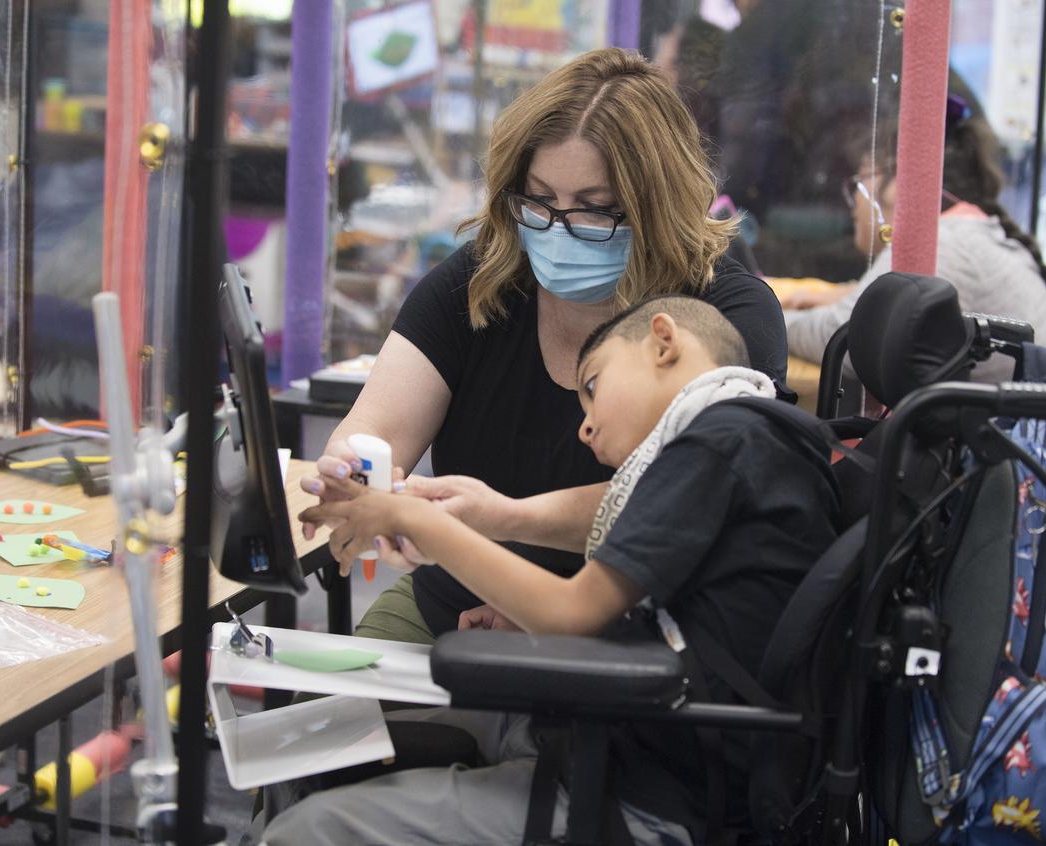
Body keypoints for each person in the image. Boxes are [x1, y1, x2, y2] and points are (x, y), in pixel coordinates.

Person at [265, 296, 839, 845]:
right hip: (627, 737)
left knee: (308, 827)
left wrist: (419, 522)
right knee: (318, 749)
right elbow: (692, 620)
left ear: (663, 343)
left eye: (592, 388)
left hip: (646, 786)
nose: (584, 429)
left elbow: (570, 613)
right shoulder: (752, 442)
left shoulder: (717, 444)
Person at [302, 47, 789, 645]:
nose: (558, 229)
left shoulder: (724, 319)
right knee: (333, 728)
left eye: (595, 210)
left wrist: (488, 518)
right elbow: (375, 428)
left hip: (640, 631)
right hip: (456, 606)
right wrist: (356, 471)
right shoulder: (481, 282)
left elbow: (682, 503)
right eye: (538, 200)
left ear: (657, 205)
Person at [783, 100, 1046, 382]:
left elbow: (846, 341)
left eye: (861, 180)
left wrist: (763, 320)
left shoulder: (940, 245)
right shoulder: (966, 235)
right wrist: (846, 295)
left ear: (898, 183)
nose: (853, 202)